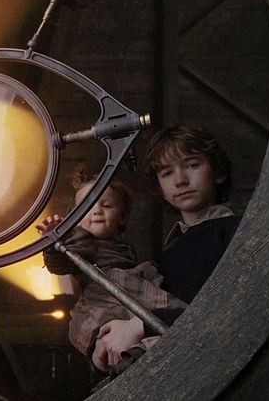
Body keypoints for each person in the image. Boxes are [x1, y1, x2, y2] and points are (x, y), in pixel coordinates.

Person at [91, 124, 241, 372]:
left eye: (192, 165)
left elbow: (236, 310)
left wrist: (140, 326)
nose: (180, 180)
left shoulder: (237, 231)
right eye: (167, 173)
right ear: (160, 188)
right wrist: (109, 337)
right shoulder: (166, 256)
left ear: (218, 172)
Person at [37, 166, 186, 360]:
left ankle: (138, 350)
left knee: (140, 320)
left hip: (122, 297)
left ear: (123, 217)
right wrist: (53, 243)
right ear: (77, 219)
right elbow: (59, 264)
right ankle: (185, 315)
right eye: (87, 207)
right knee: (158, 305)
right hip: (107, 291)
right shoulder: (82, 241)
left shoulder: (124, 248)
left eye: (106, 205)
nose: (97, 211)